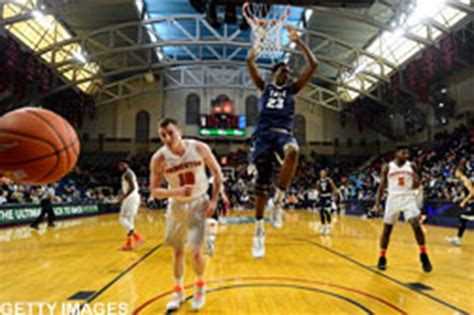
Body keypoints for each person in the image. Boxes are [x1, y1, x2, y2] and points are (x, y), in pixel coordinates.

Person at [246, 25, 318, 258]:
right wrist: (258, 42)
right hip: (264, 134)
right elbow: (250, 62)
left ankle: (278, 201)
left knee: (294, 152)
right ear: (275, 72)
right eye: (283, 70)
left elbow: (313, 65)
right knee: (262, 181)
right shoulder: (263, 86)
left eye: (288, 71)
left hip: (284, 133)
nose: (287, 73)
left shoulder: (292, 89)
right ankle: (258, 232)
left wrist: (299, 42)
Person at [149, 118, 222, 312]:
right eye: (163, 135)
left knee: (196, 251)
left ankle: (199, 287)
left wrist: (214, 200)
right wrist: (177, 192)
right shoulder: (159, 158)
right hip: (176, 206)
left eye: (170, 133)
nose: (167, 138)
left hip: (199, 203)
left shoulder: (199, 148)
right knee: (177, 251)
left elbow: (217, 172)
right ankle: (178, 291)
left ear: (180, 131)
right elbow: (155, 190)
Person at [374, 145, 432, 272]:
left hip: (408, 197)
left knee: (416, 224)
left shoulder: (411, 166)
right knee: (387, 230)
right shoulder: (387, 166)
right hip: (393, 198)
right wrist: (377, 204)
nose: (407, 155)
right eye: (404, 153)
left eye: (408, 153)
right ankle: (382, 257)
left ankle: (423, 255)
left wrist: (417, 182)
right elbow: (382, 186)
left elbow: (417, 184)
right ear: (396, 153)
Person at [117, 161, 143, 251]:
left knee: (122, 219)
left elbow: (132, 187)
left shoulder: (127, 173)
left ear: (126, 165)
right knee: (129, 222)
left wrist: (123, 197)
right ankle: (129, 244)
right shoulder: (130, 173)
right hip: (134, 197)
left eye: (122, 165)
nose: (120, 167)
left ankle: (137, 237)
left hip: (130, 197)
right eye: (119, 166)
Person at [446, 160, 473, 246]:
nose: (455, 173)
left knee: (463, 218)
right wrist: (458, 198)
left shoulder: (466, 180)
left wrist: (464, 201)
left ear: (460, 172)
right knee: (463, 219)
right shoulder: (463, 181)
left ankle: (458, 239)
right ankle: (457, 239)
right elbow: (464, 194)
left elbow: (472, 192)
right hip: (470, 203)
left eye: (456, 171)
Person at [316, 170, 338, 235]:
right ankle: (323, 226)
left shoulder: (329, 180)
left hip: (328, 196)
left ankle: (328, 225)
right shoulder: (318, 181)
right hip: (322, 197)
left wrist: (334, 196)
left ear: (325, 174)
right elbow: (318, 189)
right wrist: (318, 196)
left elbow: (334, 188)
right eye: (321, 173)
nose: (321, 174)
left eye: (323, 173)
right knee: (321, 211)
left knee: (327, 211)